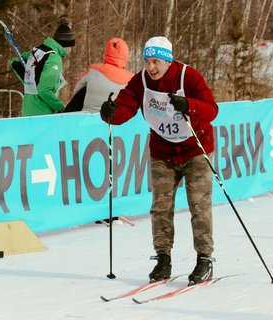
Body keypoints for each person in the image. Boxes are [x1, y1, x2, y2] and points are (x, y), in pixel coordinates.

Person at [99, 36, 219, 285]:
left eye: (156, 61)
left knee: (199, 206)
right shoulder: (141, 81)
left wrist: (189, 104)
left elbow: (212, 110)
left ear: (168, 60)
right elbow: (125, 107)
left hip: (195, 149)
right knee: (161, 208)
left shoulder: (188, 76)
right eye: (147, 61)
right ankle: (163, 259)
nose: (151, 67)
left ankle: (204, 260)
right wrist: (110, 113)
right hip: (162, 152)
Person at [11, 16, 75, 116]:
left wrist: (29, 80)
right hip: (42, 112)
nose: (70, 50)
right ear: (65, 44)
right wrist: (60, 107)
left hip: (28, 109)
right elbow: (44, 90)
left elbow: (16, 62)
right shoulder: (54, 58)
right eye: (70, 46)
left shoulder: (39, 50)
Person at [64, 37, 134, 113]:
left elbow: (77, 89)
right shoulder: (132, 78)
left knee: (85, 88)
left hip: (89, 118)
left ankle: (64, 118)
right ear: (125, 55)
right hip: (114, 120)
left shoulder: (93, 69)